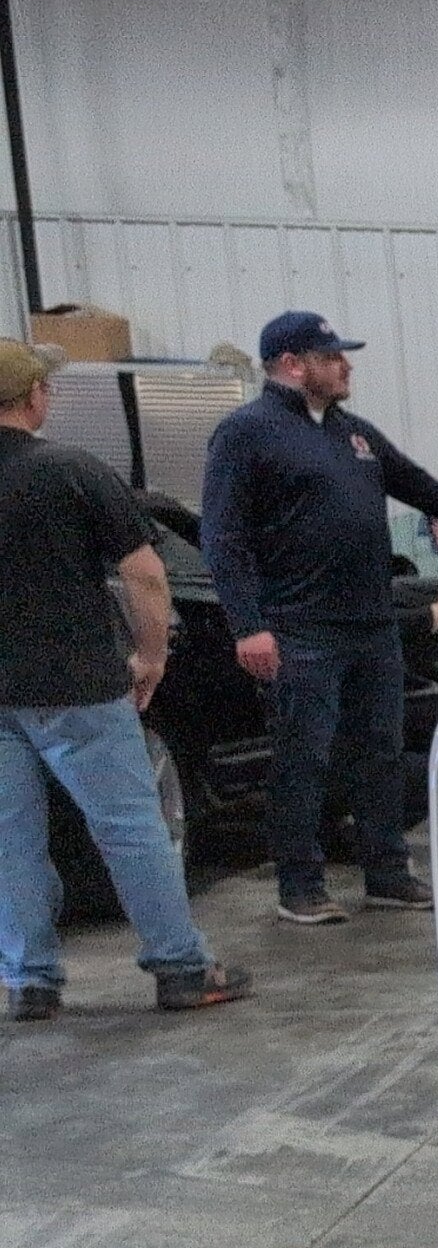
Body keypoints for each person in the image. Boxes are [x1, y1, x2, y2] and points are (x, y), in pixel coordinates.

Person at [199, 311, 438, 926]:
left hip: (370, 628)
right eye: (332, 356)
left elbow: (435, 495)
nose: (346, 365)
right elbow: (223, 537)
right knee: (304, 757)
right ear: (293, 364)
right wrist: (248, 625)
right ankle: (299, 883)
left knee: (380, 753)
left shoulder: (356, 435)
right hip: (300, 629)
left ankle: (386, 871)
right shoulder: (247, 433)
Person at [0, 341, 246, 1015]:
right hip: (76, 686)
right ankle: (182, 968)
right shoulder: (71, 470)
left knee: (9, 839)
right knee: (131, 827)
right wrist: (151, 655)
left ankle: (28, 982)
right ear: (34, 398)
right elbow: (144, 573)